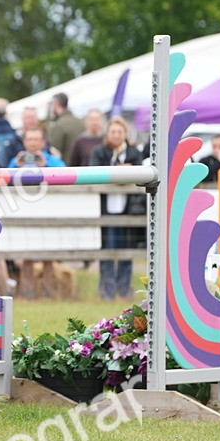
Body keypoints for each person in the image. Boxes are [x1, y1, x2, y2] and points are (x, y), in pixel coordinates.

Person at [90, 117, 144, 300]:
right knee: (107, 249)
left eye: (119, 132)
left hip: (129, 209)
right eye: (113, 132)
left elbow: (140, 174)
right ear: (107, 134)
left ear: (125, 134)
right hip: (105, 209)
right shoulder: (100, 152)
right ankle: (106, 290)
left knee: (126, 250)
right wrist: (119, 170)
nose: (116, 135)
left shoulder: (134, 153)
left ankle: (124, 289)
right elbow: (94, 171)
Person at [46, 93, 84, 163]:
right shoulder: (80, 122)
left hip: (66, 168)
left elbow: (55, 151)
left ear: (56, 104)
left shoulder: (59, 125)